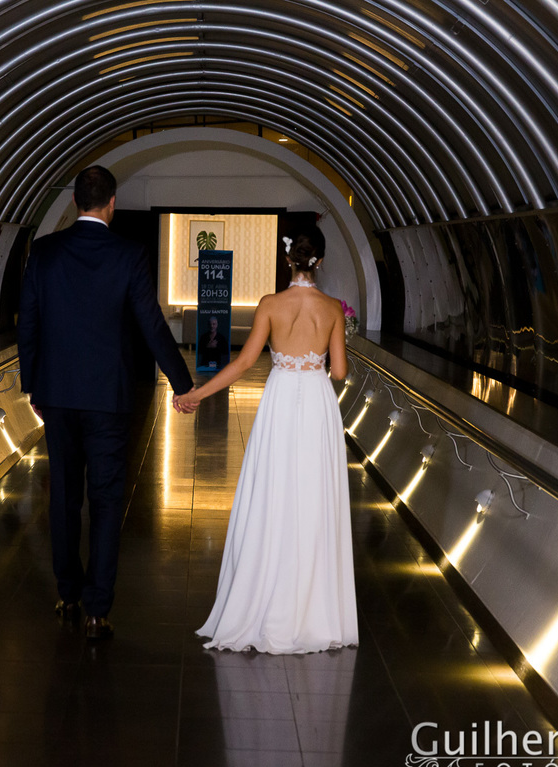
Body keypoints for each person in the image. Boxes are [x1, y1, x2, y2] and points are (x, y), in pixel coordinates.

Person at [18, 165, 195, 640]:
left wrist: (31, 386)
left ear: (76, 201)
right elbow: (151, 324)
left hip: (56, 395)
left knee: (64, 498)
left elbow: (28, 323)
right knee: (107, 499)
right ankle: (97, 610)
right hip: (108, 399)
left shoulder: (45, 252)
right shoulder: (128, 255)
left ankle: (67, 593)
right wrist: (183, 383)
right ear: (110, 203)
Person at [176, 226, 358, 653]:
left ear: (288, 259)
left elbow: (243, 362)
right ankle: (314, 608)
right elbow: (340, 373)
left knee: (274, 494)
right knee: (314, 498)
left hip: (279, 401)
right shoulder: (332, 308)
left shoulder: (270, 305)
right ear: (321, 261)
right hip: (316, 404)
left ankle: (263, 596)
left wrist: (198, 394)